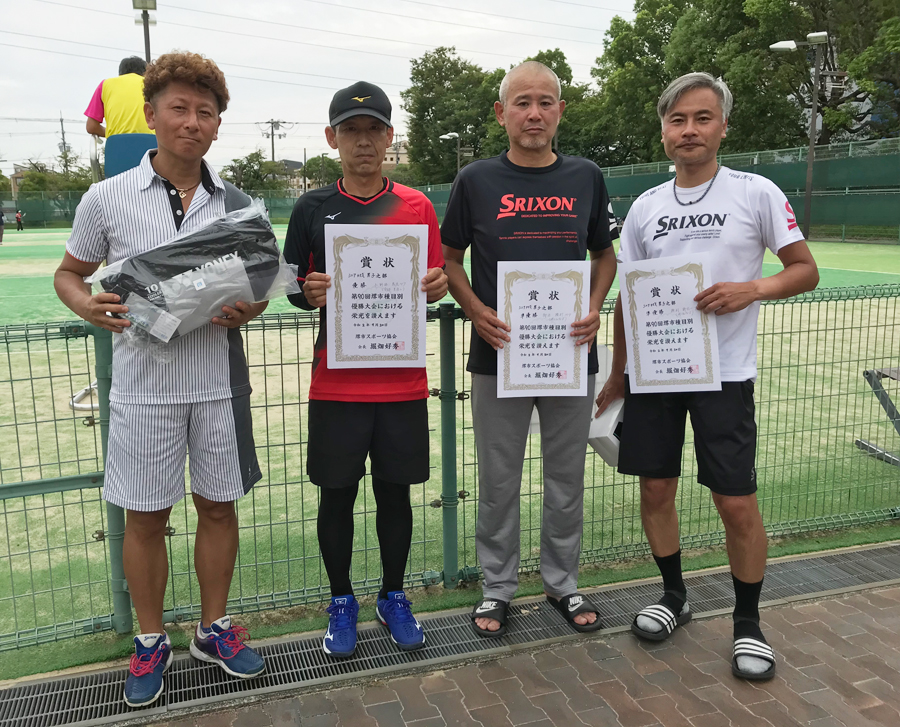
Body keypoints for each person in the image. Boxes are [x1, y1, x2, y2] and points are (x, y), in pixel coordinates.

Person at [55, 51, 266, 708]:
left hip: (217, 386)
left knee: (219, 507)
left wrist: (248, 308)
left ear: (218, 123)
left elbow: (260, 288)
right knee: (145, 518)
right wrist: (87, 304)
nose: (192, 122)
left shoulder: (240, 204)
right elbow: (69, 273)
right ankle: (150, 640)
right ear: (151, 113)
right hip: (143, 389)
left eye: (206, 112)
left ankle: (212, 629)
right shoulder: (106, 198)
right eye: (180, 108)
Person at [595, 72, 819, 681]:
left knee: (735, 501)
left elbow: (804, 270)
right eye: (677, 120)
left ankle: (748, 622)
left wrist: (753, 288)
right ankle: (674, 597)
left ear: (723, 127)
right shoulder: (646, 207)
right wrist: (619, 372)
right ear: (664, 133)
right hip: (656, 374)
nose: (689, 130)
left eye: (702, 118)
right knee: (655, 491)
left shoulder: (755, 192)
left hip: (726, 376)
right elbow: (629, 298)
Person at [441, 61, 619, 637]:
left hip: (569, 354)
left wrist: (594, 306)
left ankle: (562, 583)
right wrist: (476, 311)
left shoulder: (586, 176)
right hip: (499, 354)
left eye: (545, 102)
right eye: (522, 102)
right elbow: (449, 260)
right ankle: (497, 588)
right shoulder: (475, 180)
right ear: (502, 114)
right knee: (499, 480)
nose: (534, 113)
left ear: (560, 111)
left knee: (566, 478)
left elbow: (605, 256)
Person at [283, 81, 448, 659]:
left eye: (374, 130)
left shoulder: (416, 207)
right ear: (332, 139)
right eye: (350, 131)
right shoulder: (310, 208)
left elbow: (432, 281)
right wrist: (308, 292)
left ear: (389, 136)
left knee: (395, 496)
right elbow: (291, 287)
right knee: (336, 497)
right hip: (337, 383)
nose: (363, 141)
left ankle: (393, 595)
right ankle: (341, 600)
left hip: (402, 382)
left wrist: (437, 284)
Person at [85, 56, 157, 177]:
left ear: (120, 74)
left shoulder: (105, 85)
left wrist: (113, 131)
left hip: (117, 152)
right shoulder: (152, 86)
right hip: (152, 148)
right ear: (145, 74)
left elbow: (91, 126)